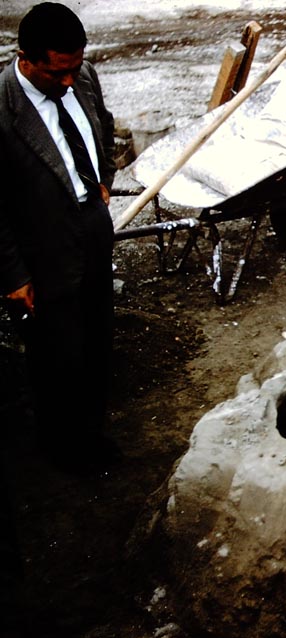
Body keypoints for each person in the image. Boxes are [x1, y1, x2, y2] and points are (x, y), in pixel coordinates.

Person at [0, 3, 119, 474]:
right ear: (25, 58)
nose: (69, 82)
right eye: (57, 73)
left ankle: (90, 434)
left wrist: (103, 175)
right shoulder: (4, 109)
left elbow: (103, 126)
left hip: (90, 224)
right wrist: (12, 275)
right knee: (56, 357)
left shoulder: (82, 75)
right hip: (39, 249)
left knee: (96, 341)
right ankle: (62, 448)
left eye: (74, 68)